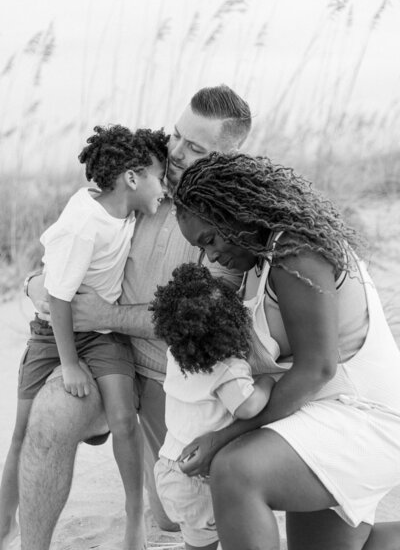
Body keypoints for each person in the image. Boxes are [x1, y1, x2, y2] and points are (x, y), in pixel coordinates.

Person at [13, 85, 252, 550]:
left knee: (169, 518)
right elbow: (67, 251)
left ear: (227, 155)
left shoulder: (229, 221)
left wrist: (106, 312)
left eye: (196, 148)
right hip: (107, 355)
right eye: (179, 136)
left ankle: (146, 497)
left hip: (173, 381)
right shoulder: (140, 176)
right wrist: (35, 284)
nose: (177, 152)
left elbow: (202, 318)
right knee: (48, 418)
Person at [173, 151, 400, 550]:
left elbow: (318, 369)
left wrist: (225, 436)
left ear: (237, 211)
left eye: (210, 239)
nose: (211, 255)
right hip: (323, 411)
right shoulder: (260, 260)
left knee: (236, 471)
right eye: (201, 248)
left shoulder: (295, 250)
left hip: (367, 417)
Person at [0, 125, 168, 550]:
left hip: (105, 334)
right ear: (131, 178)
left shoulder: (126, 210)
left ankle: (135, 518)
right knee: (23, 430)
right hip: (52, 332)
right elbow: (57, 298)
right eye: (159, 178)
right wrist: (69, 363)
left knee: (122, 419)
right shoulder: (83, 225)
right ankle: (4, 518)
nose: (163, 189)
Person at [150, 263, 274, 550]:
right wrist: (267, 382)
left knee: (197, 542)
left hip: (170, 464)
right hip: (199, 479)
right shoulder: (227, 368)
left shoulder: (177, 354)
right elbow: (247, 407)